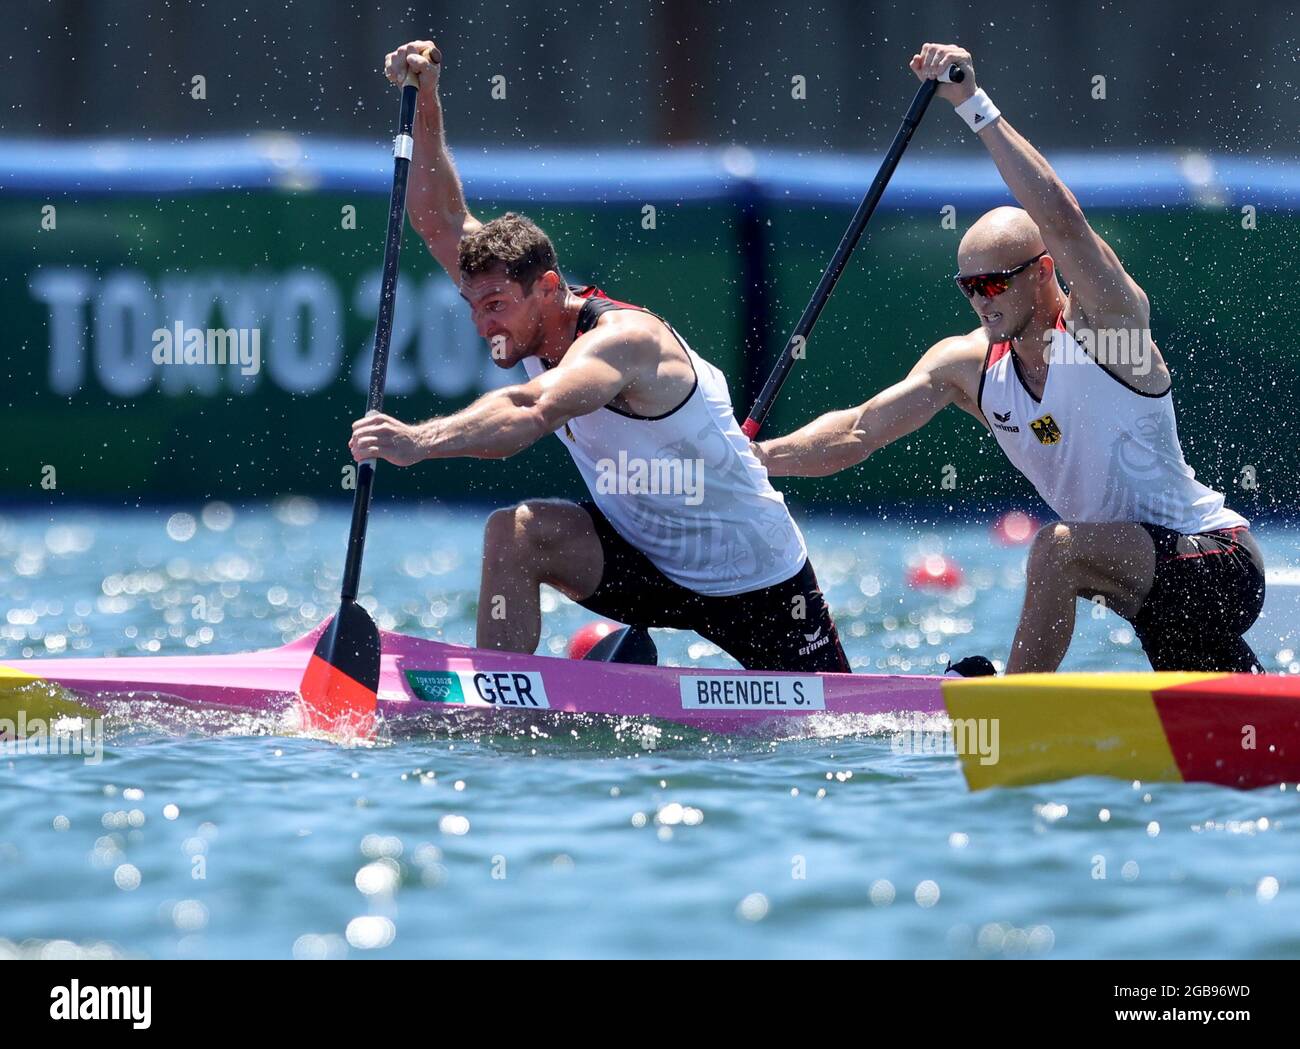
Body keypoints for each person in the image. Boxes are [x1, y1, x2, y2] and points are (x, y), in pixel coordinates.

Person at [755, 42, 1264, 674]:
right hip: (1144, 591)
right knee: (1226, 739)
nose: (981, 300)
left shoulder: (1108, 332)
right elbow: (858, 432)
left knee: (1054, 550)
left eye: (997, 282)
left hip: (1217, 561)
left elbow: (1062, 217)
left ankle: (1012, 710)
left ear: (1044, 270)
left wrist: (972, 104)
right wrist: (758, 459)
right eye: (969, 287)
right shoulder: (967, 368)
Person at [348, 39, 849, 672]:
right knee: (515, 533)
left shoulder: (623, 342)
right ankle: (497, 702)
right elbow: (437, 218)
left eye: (496, 305)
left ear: (549, 287)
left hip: (753, 578)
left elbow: (530, 409)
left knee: (827, 723)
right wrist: (425, 97)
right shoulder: (514, 303)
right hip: (639, 557)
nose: (484, 323)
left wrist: (420, 442)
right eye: (474, 307)